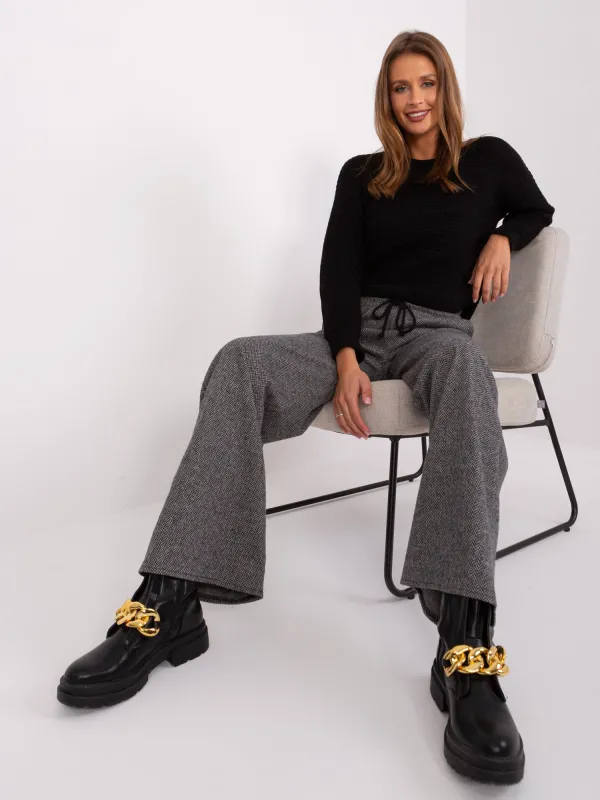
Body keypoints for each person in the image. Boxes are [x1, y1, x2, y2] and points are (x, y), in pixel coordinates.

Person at [57, 29, 554, 786]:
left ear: (446, 88)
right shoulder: (364, 174)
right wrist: (346, 357)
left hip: (439, 337)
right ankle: (169, 602)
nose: (415, 99)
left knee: (466, 371)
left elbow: (537, 208)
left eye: (426, 84)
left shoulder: (488, 161)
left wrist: (502, 238)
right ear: (386, 98)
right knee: (240, 361)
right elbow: (338, 269)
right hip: (354, 333)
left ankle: (465, 644)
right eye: (400, 87)